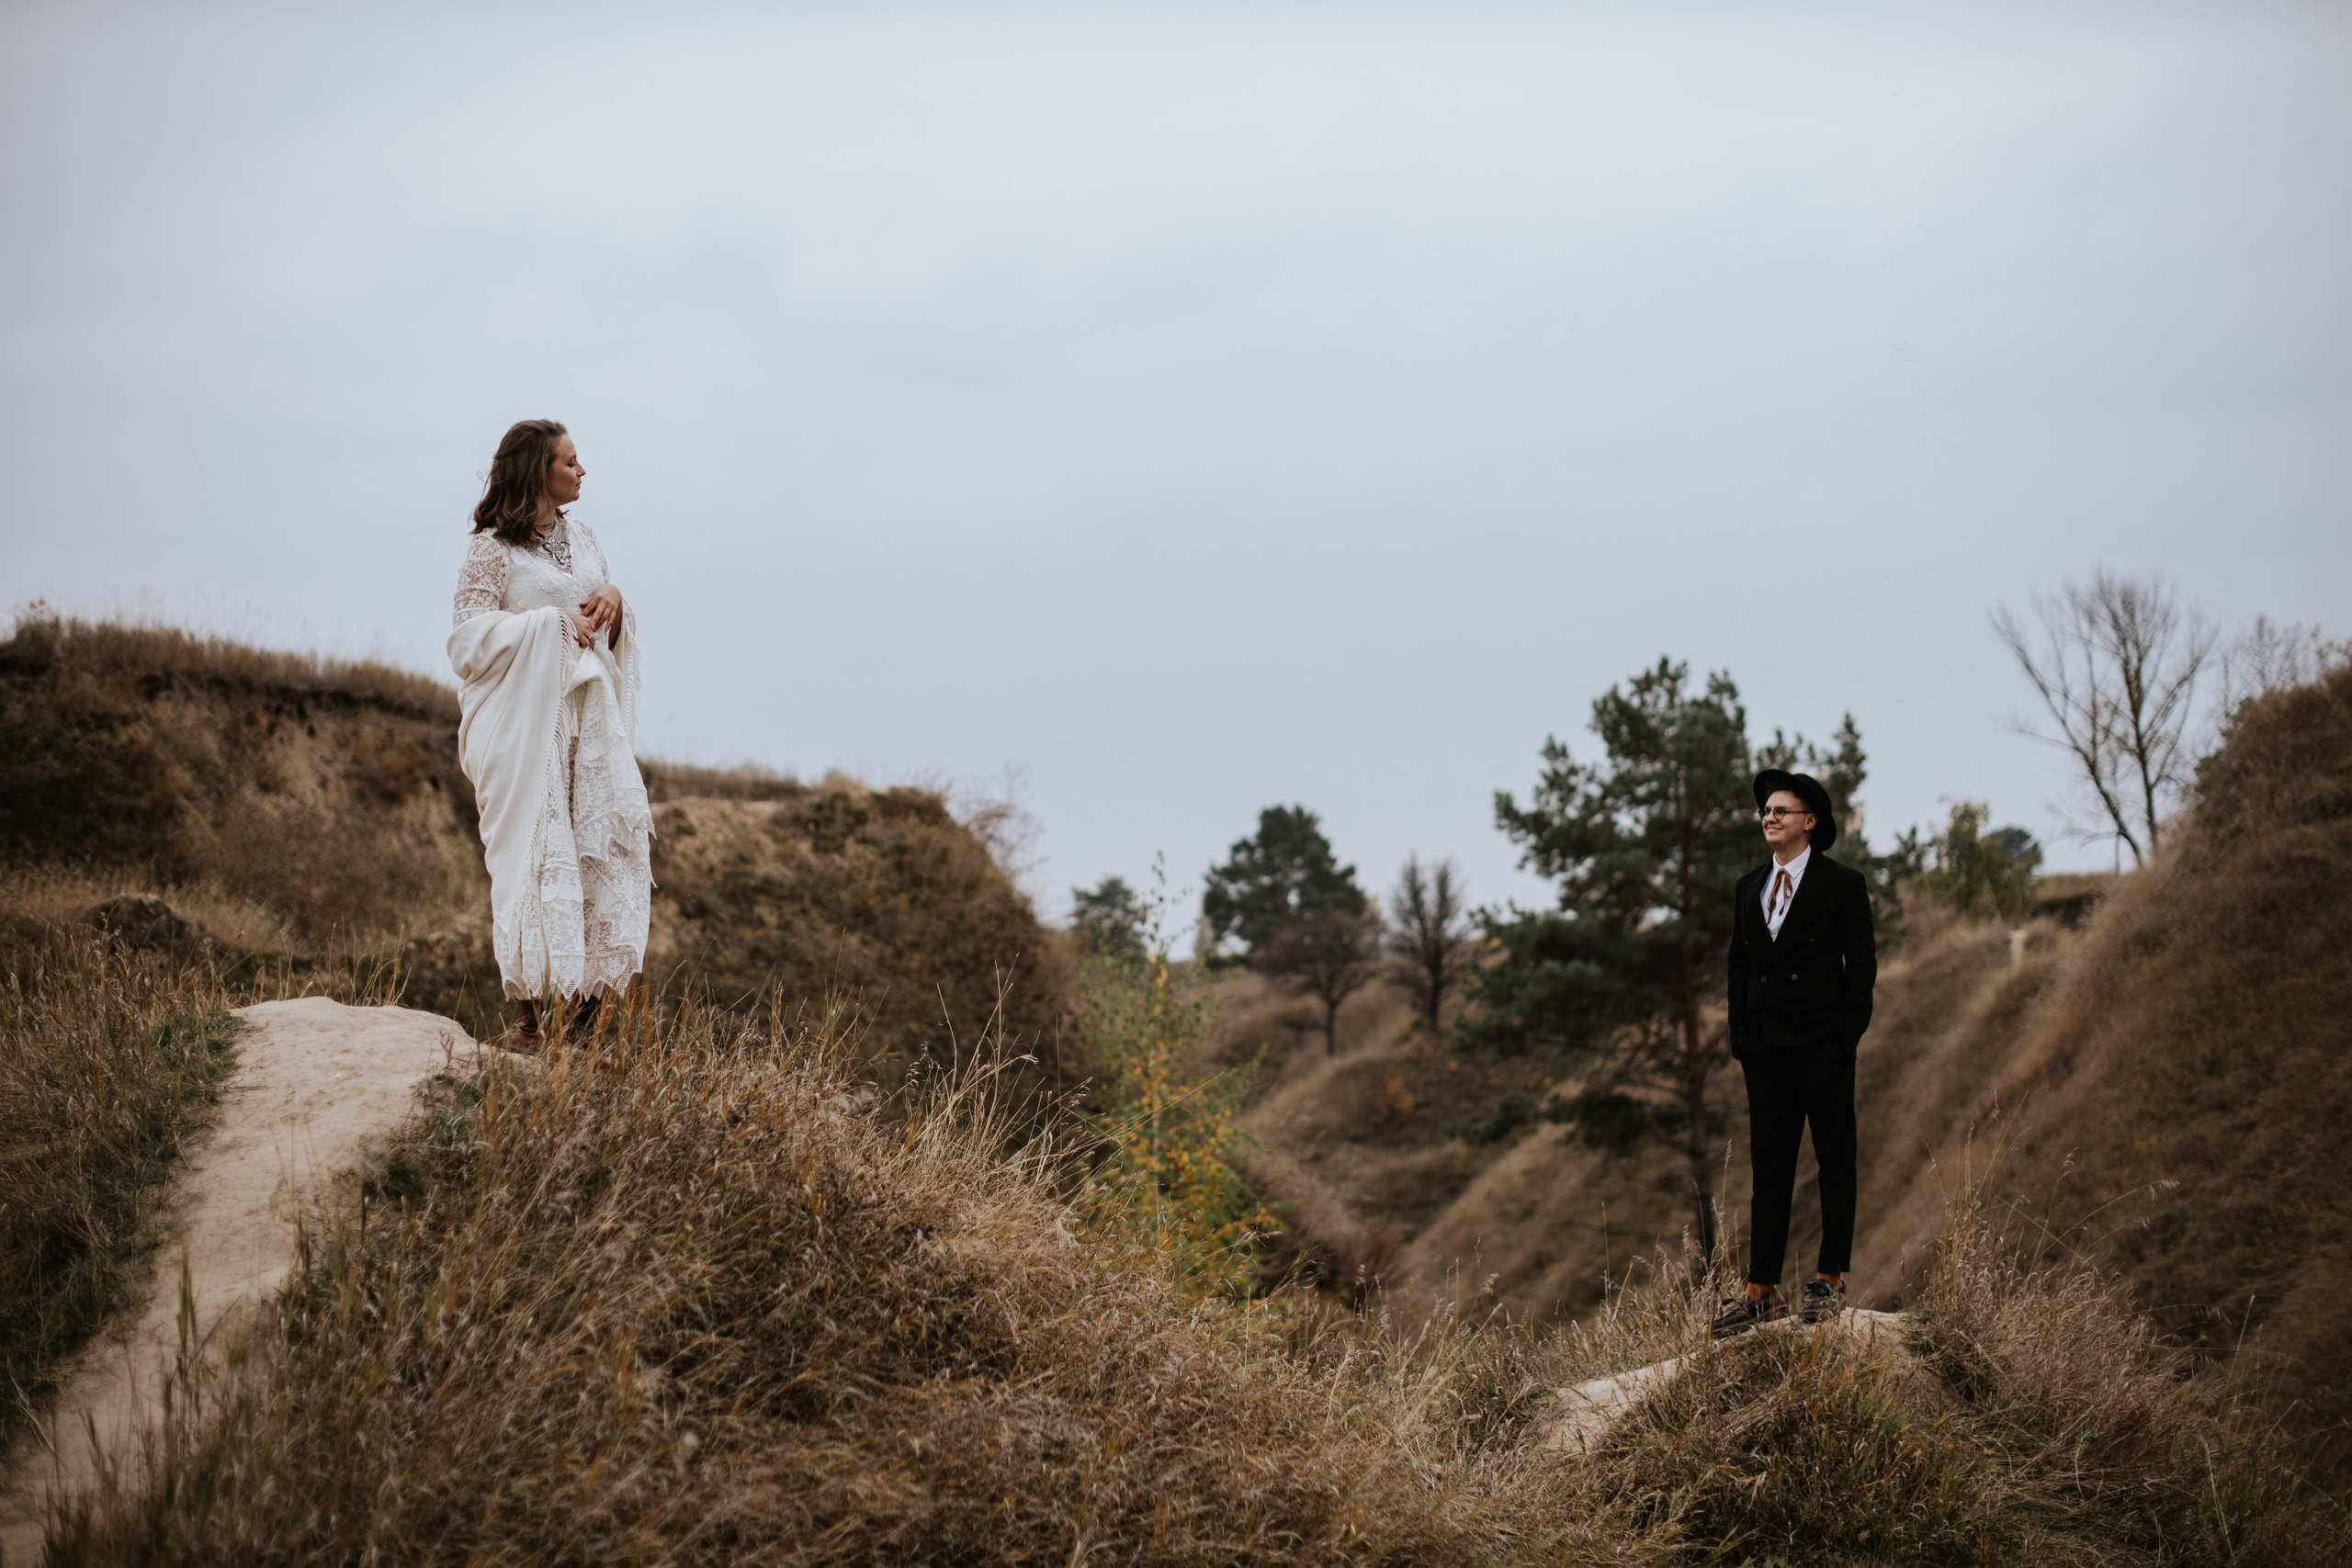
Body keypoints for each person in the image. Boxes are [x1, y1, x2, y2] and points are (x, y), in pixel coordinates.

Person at [447, 420, 653, 1051]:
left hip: (588, 729)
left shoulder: (585, 538)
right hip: (526, 727)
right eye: (569, 460)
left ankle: (589, 1027)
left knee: (606, 856)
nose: (582, 469)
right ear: (539, 470)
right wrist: (548, 624)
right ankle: (534, 1023)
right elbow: (466, 640)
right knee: (535, 860)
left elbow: (600, 617)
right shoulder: (491, 550)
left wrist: (614, 598)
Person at [1711, 768, 1876, 1337]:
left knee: (1835, 1159)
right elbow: (1739, 963)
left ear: (1811, 822)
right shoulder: (1748, 886)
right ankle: (1761, 1289)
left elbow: (1863, 965)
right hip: (1765, 1049)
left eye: (1782, 810)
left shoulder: (1842, 884)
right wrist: (1740, 1032)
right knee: (1770, 1167)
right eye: (1765, 810)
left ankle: (1829, 1278)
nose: (1769, 817)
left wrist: (1846, 1035)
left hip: (1822, 1045)